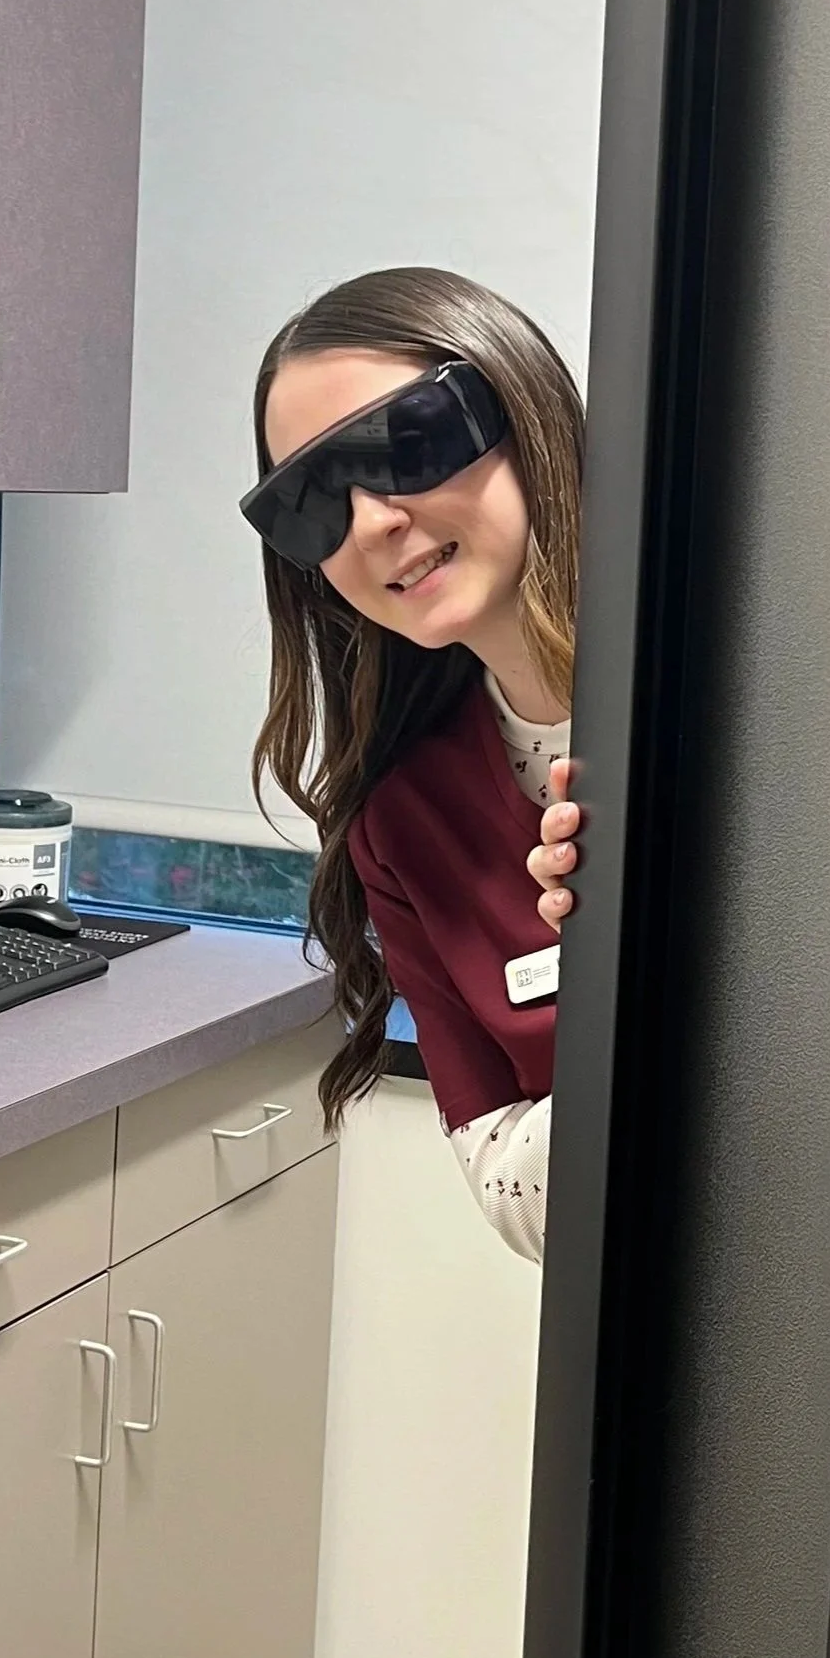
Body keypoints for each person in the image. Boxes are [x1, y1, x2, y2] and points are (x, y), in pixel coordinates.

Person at [241, 266, 581, 1263]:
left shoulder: (760, 709)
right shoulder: (403, 827)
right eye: (309, 502)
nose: (371, 521)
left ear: (520, 407)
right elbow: (510, 1190)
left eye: (404, 441)